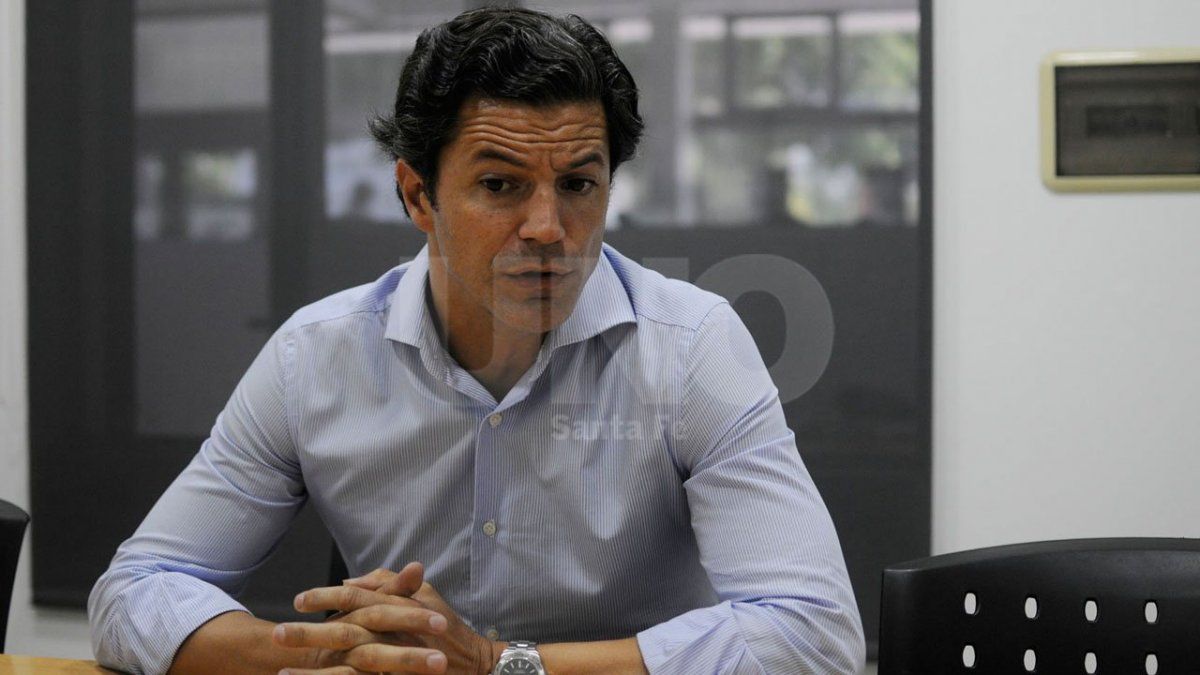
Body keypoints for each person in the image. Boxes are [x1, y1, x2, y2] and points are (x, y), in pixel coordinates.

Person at [88, 7, 865, 674]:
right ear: (417, 195)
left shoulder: (691, 345)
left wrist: (501, 664)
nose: (547, 228)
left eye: (578, 184)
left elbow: (815, 633)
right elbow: (134, 589)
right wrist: (336, 651)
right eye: (500, 185)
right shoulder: (315, 357)